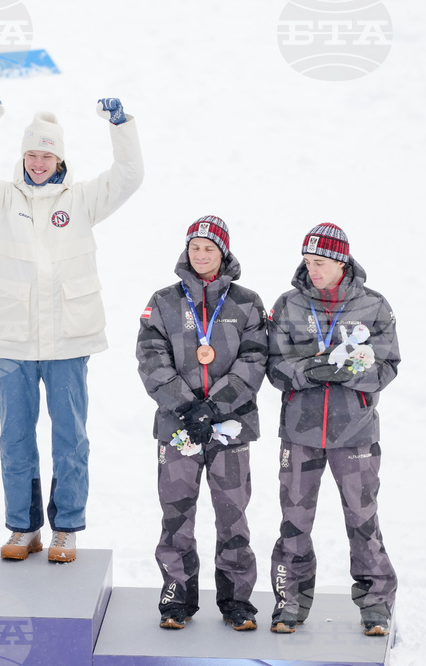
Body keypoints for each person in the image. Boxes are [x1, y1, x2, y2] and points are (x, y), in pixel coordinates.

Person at [0, 97, 144, 562]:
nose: (38, 164)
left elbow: (128, 177)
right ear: (22, 158)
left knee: (69, 437)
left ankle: (66, 528)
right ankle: (23, 527)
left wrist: (121, 126)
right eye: (32, 156)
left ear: (60, 160)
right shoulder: (1, 199)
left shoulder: (81, 200)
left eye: (47, 156)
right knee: (15, 437)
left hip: (67, 338)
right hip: (13, 338)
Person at [265, 223, 399, 636]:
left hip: (355, 433)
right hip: (300, 433)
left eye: (320, 263)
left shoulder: (374, 306)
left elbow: (388, 366)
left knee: (363, 519)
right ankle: (290, 603)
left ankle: (376, 606)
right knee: (294, 521)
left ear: (341, 262)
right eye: (307, 262)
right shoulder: (288, 305)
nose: (312, 270)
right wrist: (311, 370)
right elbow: (273, 367)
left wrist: (350, 372)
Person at [136, 216, 267, 630]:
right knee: (176, 514)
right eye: (195, 247)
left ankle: (236, 600)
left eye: (210, 248)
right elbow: (151, 359)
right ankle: (177, 597)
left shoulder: (247, 302)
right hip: (178, 427)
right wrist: (188, 406)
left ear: (223, 252)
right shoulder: (164, 301)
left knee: (233, 514)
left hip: (230, 426)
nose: (201, 254)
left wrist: (215, 407)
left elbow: (254, 360)